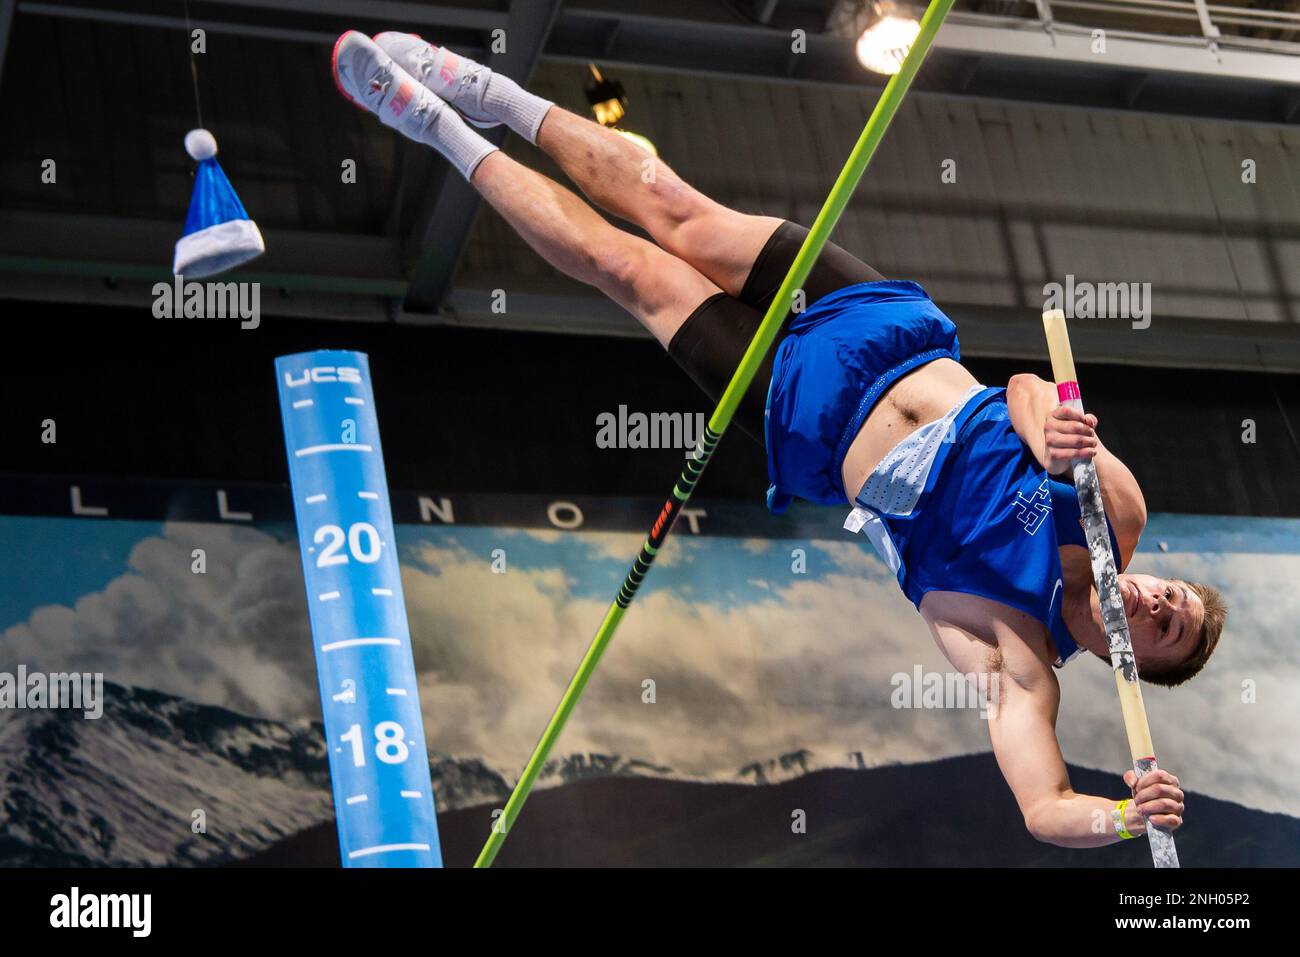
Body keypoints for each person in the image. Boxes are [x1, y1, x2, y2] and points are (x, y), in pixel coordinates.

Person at [331, 31, 1228, 850]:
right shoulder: (1116, 508)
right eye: (1171, 596)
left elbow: (1042, 807)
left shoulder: (1021, 661)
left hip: (804, 414)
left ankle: (438, 129)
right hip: (883, 329)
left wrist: (1120, 814)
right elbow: (1030, 389)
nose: (1155, 603)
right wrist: (1055, 430)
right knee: (668, 204)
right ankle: (488, 90)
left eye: (1165, 628)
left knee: (628, 269)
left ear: (1136, 666)